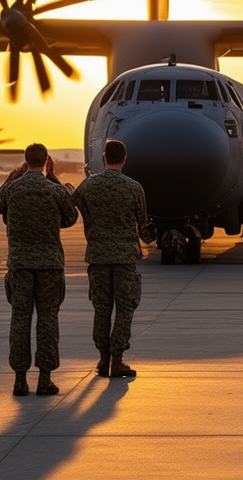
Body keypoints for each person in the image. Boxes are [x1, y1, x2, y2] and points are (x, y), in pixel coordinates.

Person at [0, 143, 78, 396]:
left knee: (20, 319)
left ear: (25, 160)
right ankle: (45, 378)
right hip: (49, 265)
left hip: (20, 264)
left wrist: (11, 179)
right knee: (48, 320)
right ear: (47, 160)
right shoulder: (53, 190)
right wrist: (53, 178)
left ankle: (20, 379)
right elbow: (71, 218)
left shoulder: (13, 189)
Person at [72, 140, 154, 379]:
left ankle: (103, 358)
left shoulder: (89, 185)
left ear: (104, 156)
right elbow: (144, 227)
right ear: (125, 158)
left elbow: (71, 206)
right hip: (124, 257)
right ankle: (117, 359)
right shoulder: (134, 187)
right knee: (125, 308)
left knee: (101, 309)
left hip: (97, 256)